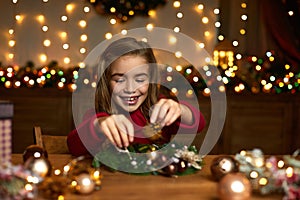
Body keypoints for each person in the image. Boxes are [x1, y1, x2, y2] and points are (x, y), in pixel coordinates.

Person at [67, 37, 206, 156]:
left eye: (139, 80)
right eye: (120, 80)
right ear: (106, 81)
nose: (130, 89)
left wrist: (181, 110)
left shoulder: (159, 110)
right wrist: (98, 125)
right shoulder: (99, 117)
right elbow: (73, 145)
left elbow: (199, 124)